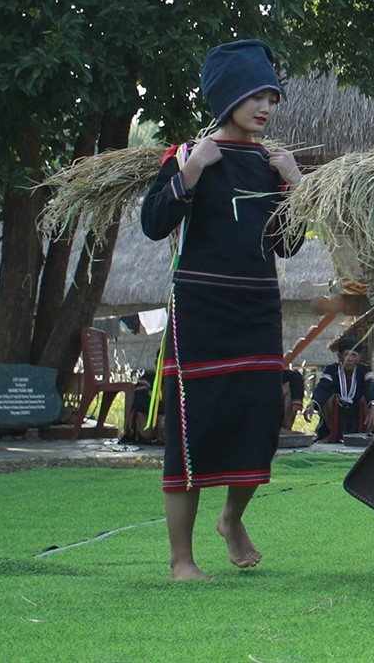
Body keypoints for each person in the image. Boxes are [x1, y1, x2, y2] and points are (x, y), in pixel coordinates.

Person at [140, 38, 303, 581]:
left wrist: (297, 187)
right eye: (255, 96)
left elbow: (288, 244)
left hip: (257, 308)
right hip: (200, 311)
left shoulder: (270, 162)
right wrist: (189, 173)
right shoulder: (189, 155)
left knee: (260, 421)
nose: (265, 107)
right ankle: (181, 560)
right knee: (191, 430)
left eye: (272, 98)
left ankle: (231, 518)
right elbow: (153, 222)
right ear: (226, 97)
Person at [303, 336, 374, 442]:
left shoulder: (365, 370)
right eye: (346, 354)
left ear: (359, 357)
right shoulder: (331, 370)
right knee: (327, 398)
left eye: (354, 355)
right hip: (337, 411)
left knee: (373, 399)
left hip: (358, 410)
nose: (350, 359)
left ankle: (365, 435)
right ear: (339, 357)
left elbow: (371, 386)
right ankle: (333, 435)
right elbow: (323, 387)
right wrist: (312, 404)